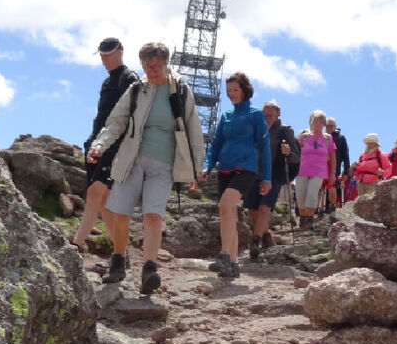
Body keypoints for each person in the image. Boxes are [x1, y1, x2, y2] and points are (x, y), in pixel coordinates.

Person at [87, 41, 205, 294]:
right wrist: (100, 145)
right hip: (131, 159)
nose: (151, 71)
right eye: (146, 66)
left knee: (153, 215)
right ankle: (119, 259)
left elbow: (194, 130)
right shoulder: (136, 90)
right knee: (120, 215)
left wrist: (196, 168)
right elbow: (115, 122)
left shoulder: (181, 92)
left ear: (165, 64)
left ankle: (149, 269)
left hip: (163, 164)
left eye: (156, 66)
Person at [199, 73, 271, 279]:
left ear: (245, 90)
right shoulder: (226, 115)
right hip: (225, 169)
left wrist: (266, 178)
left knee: (225, 205)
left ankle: (223, 254)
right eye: (229, 90)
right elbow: (215, 145)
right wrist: (207, 166)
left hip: (246, 168)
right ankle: (232, 263)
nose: (231, 94)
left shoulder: (256, 114)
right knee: (227, 211)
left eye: (235, 90)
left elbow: (264, 148)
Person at [73, 37, 139, 253]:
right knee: (103, 203)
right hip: (96, 143)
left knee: (94, 193)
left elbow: (131, 118)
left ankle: (75, 246)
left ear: (120, 52)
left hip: (115, 146)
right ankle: (122, 253)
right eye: (101, 55)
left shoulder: (129, 78)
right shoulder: (107, 82)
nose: (104, 59)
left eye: (108, 54)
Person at [247, 99, 298, 259]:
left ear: (278, 115)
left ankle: (255, 242)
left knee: (264, 207)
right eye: (265, 114)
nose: (267, 117)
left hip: (274, 175)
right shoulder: (256, 129)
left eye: (270, 115)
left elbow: (296, 156)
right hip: (254, 173)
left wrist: (288, 152)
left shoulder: (285, 131)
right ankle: (267, 235)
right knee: (252, 208)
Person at [294, 110, 336, 230]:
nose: (318, 124)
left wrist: (333, 173)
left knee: (312, 195)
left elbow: (333, 158)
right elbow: (295, 152)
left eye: (320, 122)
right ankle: (303, 219)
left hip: (318, 172)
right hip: (302, 170)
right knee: (301, 199)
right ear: (311, 123)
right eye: (315, 122)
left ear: (323, 124)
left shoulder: (328, 139)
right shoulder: (304, 137)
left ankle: (309, 222)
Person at [351, 132, 390, 198]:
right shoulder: (362, 156)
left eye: (370, 143)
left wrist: (383, 173)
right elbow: (360, 168)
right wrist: (355, 173)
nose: (368, 145)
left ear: (375, 144)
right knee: (360, 204)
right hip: (361, 183)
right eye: (367, 143)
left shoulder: (381, 155)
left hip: (373, 182)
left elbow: (389, 168)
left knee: (368, 204)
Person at [324, 117, 350, 213]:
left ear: (335, 126)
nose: (329, 128)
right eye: (327, 126)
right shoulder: (321, 137)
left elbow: (345, 156)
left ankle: (331, 209)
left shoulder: (341, 138)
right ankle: (321, 211)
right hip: (321, 167)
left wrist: (346, 171)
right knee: (322, 188)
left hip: (334, 168)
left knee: (332, 187)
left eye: (331, 126)